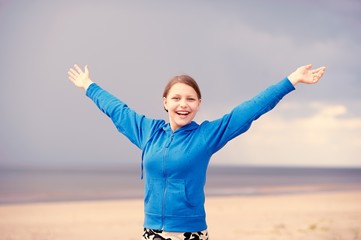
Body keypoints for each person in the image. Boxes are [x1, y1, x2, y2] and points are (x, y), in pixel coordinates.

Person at [67, 64, 326, 240]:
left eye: (190, 99)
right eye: (176, 98)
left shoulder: (206, 136)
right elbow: (117, 109)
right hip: (151, 231)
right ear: (165, 102)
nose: (183, 104)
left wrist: (291, 80)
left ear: (199, 104)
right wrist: (89, 86)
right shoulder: (147, 131)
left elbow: (250, 109)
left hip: (190, 233)